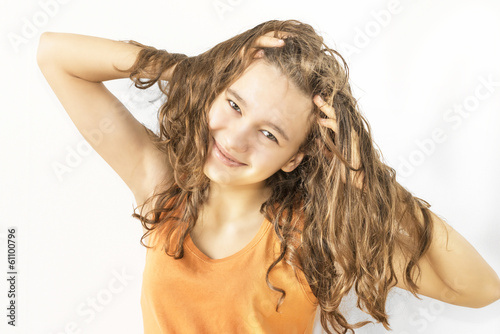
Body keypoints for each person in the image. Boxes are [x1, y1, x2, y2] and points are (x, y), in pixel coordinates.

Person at [36, 19, 500, 334]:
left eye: (270, 133)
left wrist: (371, 179)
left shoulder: (317, 239)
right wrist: (196, 70)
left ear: (296, 158)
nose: (235, 140)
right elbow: (54, 55)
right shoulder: (164, 188)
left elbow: (480, 288)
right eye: (234, 105)